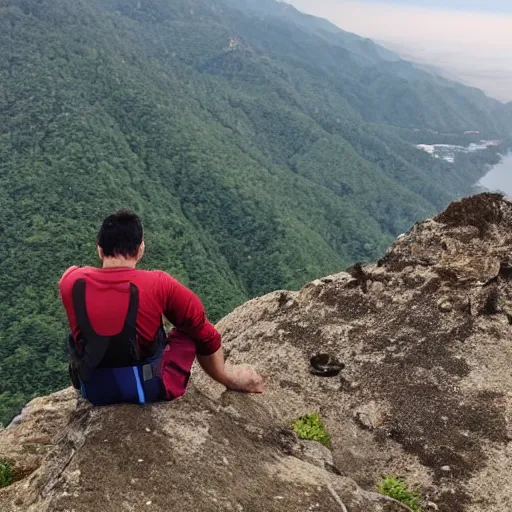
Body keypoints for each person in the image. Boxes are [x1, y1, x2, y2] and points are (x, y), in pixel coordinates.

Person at [59, 209, 264, 405]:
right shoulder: (159, 284)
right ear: (140, 250)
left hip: (93, 391)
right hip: (147, 389)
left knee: (79, 330)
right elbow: (205, 334)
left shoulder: (70, 281)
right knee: (190, 329)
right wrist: (228, 377)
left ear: (99, 249)